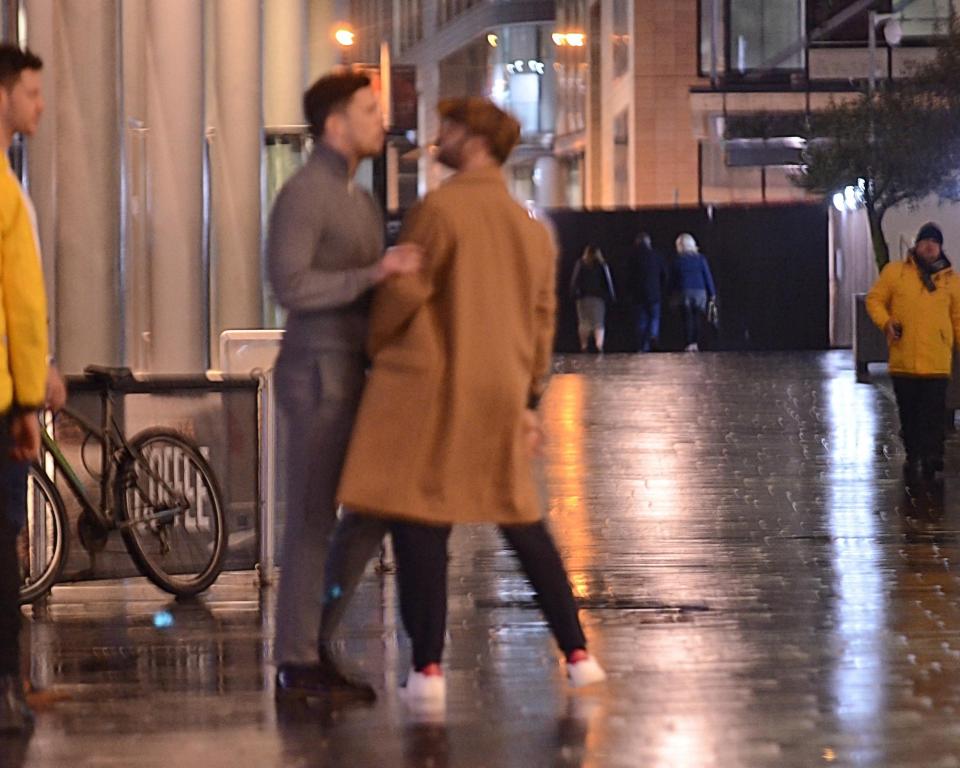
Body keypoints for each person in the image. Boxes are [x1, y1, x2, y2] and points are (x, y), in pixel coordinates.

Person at [337, 97, 606, 710]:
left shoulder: (440, 210)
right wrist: (530, 394)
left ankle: (427, 667)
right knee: (522, 522)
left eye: (451, 126)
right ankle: (578, 654)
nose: (441, 134)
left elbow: (405, 294)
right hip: (502, 393)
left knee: (423, 521)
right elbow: (544, 320)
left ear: (478, 140)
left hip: (435, 391)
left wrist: (374, 343)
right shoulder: (530, 227)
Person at [267, 71, 422, 704]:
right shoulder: (306, 194)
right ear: (335, 123)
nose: (378, 119)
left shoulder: (356, 197)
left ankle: (315, 642)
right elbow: (290, 286)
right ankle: (298, 659)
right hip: (316, 375)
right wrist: (373, 273)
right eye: (367, 108)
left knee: (370, 510)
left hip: (353, 375)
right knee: (310, 519)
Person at [0, 44, 51, 735]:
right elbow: (24, 306)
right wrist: (32, 397)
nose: (39, 105)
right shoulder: (7, 192)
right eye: (32, 92)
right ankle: (6, 687)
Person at [866, 222, 960, 484]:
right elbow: (875, 299)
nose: (930, 246)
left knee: (934, 411)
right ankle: (914, 452)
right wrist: (886, 322)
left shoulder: (951, 281)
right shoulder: (895, 273)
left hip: (937, 360)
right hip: (904, 358)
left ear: (940, 248)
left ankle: (932, 455)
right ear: (916, 245)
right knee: (909, 411)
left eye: (935, 242)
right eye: (925, 241)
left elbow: (958, 318)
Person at [668, 233, 715, 352]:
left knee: (686, 318)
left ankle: (689, 343)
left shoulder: (677, 260)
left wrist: (669, 292)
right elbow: (707, 276)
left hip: (683, 291)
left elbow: (672, 279)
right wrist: (712, 293)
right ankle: (696, 343)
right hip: (700, 292)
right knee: (697, 317)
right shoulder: (701, 259)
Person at [569, 244, 615, 353]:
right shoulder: (602, 265)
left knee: (583, 322)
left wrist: (572, 294)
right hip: (598, 298)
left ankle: (584, 346)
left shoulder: (580, 263)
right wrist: (611, 296)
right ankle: (599, 345)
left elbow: (574, 280)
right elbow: (608, 282)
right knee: (598, 322)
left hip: (582, 297)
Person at [626, 232, 666, 352]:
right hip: (654, 293)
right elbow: (664, 274)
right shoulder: (656, 255)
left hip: (638, 294)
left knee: (641, 321)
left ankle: (642, 346)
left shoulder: (632, 257)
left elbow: (628, 277)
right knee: (654, 318)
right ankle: (653, 335)